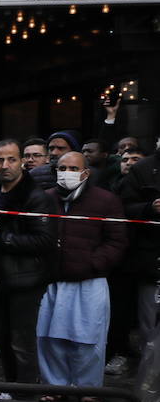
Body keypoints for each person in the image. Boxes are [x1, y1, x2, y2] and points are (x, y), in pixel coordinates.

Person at [36, 152, 128, 388]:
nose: (67, 173)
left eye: (73, 168)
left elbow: (116, 241)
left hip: (89, 281)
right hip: (52, 280)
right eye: (62, 168)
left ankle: (88, 389)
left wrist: (93, 263)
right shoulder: (45, 198)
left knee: (88, 339)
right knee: (49, 337)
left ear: (85, 172)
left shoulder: (106, 200)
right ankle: (54, 386)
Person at [0, 139, 59, 402]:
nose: (5, 165)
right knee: (2, 338)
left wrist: (3, 238)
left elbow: (45, 240)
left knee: (21, 341)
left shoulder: (35, 197)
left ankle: (25, 400)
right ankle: (12, 390)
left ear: (22, 162)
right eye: (0, 160)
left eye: (11, 159)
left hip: (26, 279)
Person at [117, 137, 160, 351]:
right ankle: (149, 372)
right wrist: (149, 208)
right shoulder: (143, 168)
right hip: (151, 258)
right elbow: (124, 209)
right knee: (149, 321)